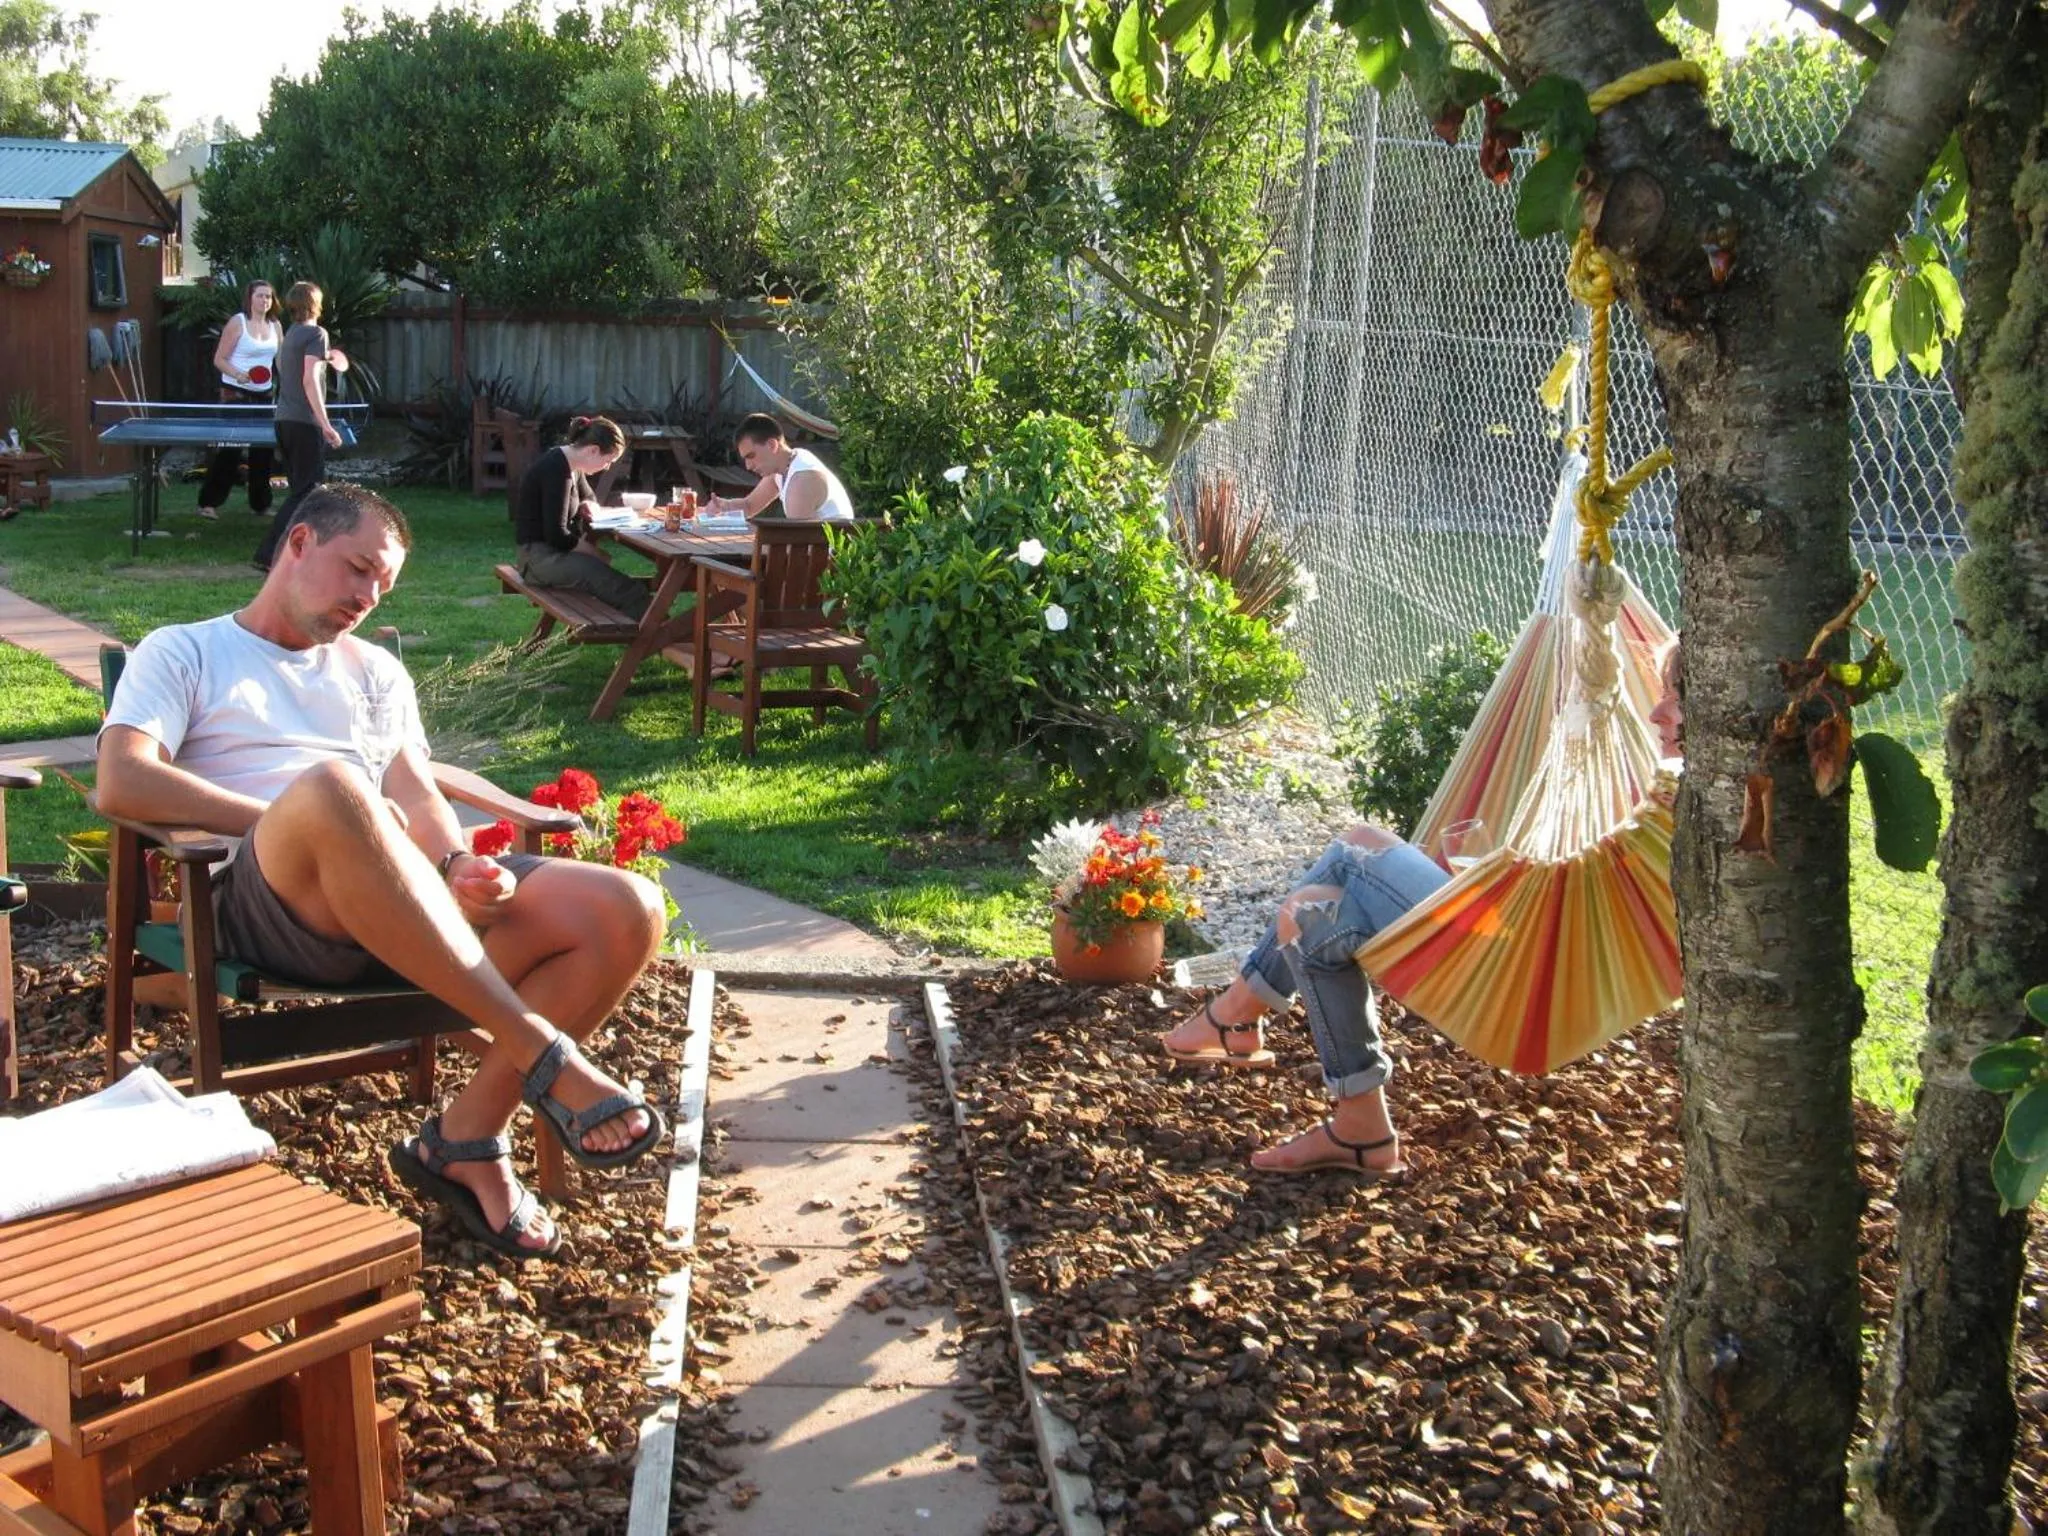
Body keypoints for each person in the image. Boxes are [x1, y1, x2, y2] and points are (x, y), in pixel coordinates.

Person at [99, 484, 668, 1259]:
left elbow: (414, 792)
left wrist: (462, 862)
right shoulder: (186, 650)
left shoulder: (373, 673)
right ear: (298, 544)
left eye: (383, 584)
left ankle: (466, 1140)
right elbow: (122, 780)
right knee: (336, 789)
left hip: (408, 898)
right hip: (274, 904)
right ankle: (539, 1048)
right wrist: (300, 817)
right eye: (357, 568)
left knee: (626, 904)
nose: (366, 596)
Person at [1160, 641, 1685, 1180]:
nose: (1655, 712)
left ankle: (1237, 1017)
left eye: (1677, 699)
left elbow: (1597, 897)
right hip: (1540, 947)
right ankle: (1353, 1121)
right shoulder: (1691, 800)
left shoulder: (1691, 804)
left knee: (1346, 864)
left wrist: (1515, 884)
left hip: (1528, 975)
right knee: (1312, 914)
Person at [252, 282, 351, 571]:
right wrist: (325, 425)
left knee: (303, 490)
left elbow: (295, 372)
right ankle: (269, 553)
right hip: (303, 422)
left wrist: (327, 357)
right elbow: (309, 380)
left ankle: (297, 553)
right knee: (308, 491)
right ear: (315, 304)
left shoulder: (292, 335)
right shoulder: (316, 333)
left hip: (283, 421)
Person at [512, 415, 651, 619]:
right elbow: (557, 535)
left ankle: (647, 634)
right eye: (608, 460)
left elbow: (589, 496)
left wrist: (588, 504)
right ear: (593, 450)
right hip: (538, 560)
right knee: (627, 590)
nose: (608, 467)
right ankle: (655, 638)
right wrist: (595, 554)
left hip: (547, 555)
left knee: (617, 582)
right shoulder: (556, 471)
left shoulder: (571, 465)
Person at [195, 279, 280, 521]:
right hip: (235, 394)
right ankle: (208, 503)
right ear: (250, 298)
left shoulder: (276, 325)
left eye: (268, 297)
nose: (265, 300)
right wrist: (238, 375)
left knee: (263, 452)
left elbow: (281, 360)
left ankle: (260, 505)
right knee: (230, 451)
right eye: (260, 296)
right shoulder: (238, 322)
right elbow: (219, 359)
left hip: (264, 395)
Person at [707, 412, 854, 522]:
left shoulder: (801, 481)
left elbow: (799, 547)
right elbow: (749, 505)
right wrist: (724, 506)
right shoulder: (786, 465)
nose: (748, 466)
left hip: (830, 560)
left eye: (751, 456)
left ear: (772, 445)